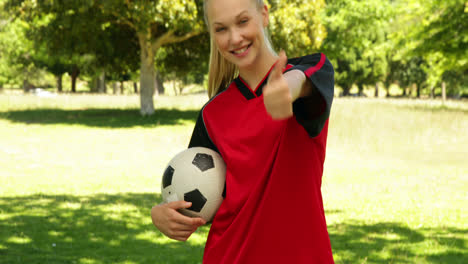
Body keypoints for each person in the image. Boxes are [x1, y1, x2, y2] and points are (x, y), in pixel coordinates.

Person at [151, 0, 335, 262]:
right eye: (221, 29)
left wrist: (286, 88)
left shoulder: (311, 74)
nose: (234, 38)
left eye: (242, 22)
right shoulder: (211, 115)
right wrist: (161, 214)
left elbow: (302, 82)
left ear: (264, 14)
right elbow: (193, 193)